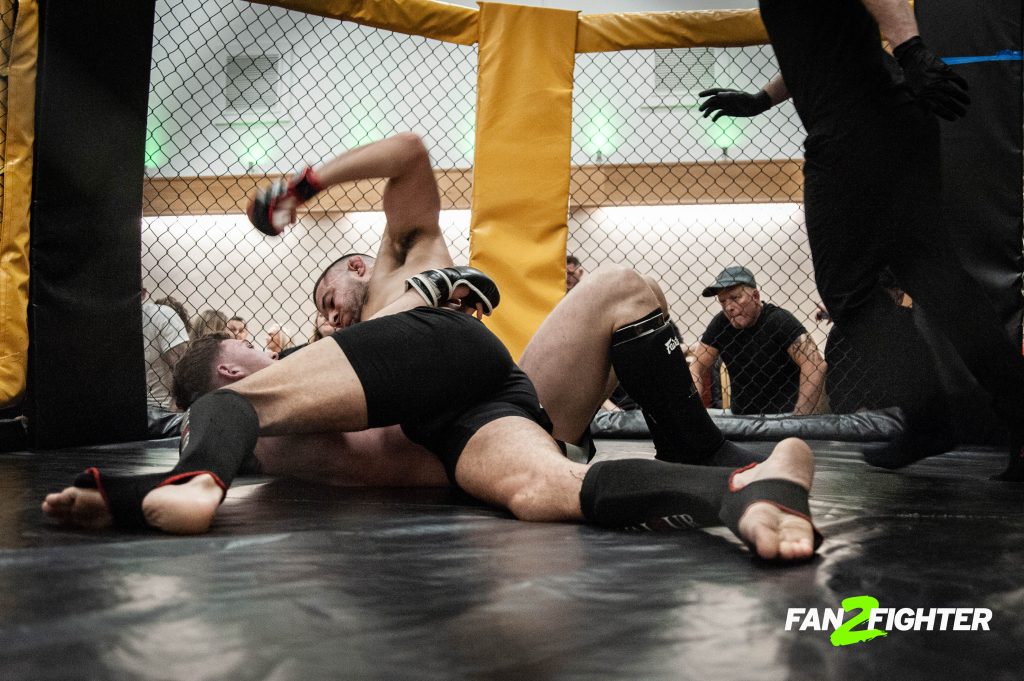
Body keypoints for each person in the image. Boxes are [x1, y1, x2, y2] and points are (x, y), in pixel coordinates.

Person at [43, 133, 821, 561]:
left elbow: (409, 152)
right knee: (540, 492)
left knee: (617, 281)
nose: (329, 317)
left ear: (357, 268)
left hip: (458, 361)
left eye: (328, 301)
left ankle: (700, 439)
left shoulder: (404, 264)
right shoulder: (322, 372)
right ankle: (744, 485)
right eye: (321, 317)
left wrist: (302, 186)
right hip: (486, 417)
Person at [698, 0, 1024, 480]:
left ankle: (935, 412)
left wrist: (912, 51)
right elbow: (822, 45)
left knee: (847, 288)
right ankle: (1005, 412)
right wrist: (763, 99)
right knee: (936, 278)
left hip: (858, 127)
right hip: (882, 121)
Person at [690, 266, 826, 416]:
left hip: (783, 416)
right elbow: (695, 368)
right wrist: (692, 410)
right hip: (741, 417)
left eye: (735, 298)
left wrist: (799, 417)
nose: (729, 307)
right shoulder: (720, 324)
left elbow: (815, 365)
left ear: (755, 296)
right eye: (723, 301)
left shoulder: (778, 320)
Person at [142, 289, 190, 412]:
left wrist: (177, 407)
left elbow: (183, 371)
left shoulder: (161, 315)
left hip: (161, 407)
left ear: (143, 293)